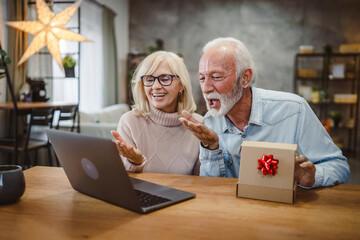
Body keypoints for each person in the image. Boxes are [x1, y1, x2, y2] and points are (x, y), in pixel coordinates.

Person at [180, 37, 350, 188]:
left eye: (216, 77)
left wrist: (312, 178)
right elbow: (212, 187)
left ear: (245, 78)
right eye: (202, 78)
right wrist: (211, 148)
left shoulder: (294, 110)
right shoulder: (210, 122)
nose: (206, 87)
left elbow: (339, 166)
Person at [111, 51, 201, 175]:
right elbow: (122, 179)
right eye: (149, 79)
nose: (156, 86)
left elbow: (204, 181)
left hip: (188, 194)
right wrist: (136, 162)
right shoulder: (130, 121)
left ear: (182, 85)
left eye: (165, 79)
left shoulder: (198, 125)